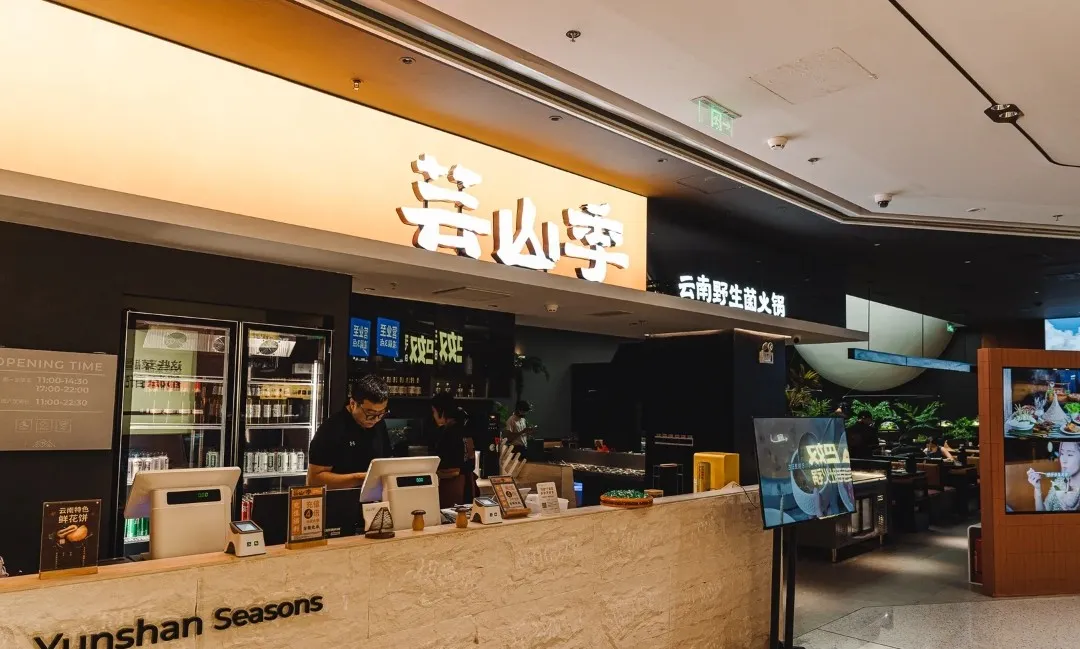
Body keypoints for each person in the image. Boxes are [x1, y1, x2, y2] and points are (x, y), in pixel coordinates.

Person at [307, 374, 391, 489]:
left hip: (374, 497)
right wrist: (362, 478)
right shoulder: (331, 428)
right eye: (370, 413)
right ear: (352, 404)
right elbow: (314, 480)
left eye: (381, 413)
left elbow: (386, 460)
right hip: (341, 498)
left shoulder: (379, 423)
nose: (375, 419)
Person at [430, 393, 468, 508]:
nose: (433, 415)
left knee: (450, 515)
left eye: (434, 411)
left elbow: (452, 467)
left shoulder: (450, 432)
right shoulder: (462, 428)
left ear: (441, 411)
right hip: (465, 483)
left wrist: (433, 473)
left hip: (452, 485)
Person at [1027, 441, 1080, 512]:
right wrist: (1037, 488)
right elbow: (1043, 513)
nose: (1063, 460)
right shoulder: (1060, 481)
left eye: (1070, 454)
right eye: (1062, 453)